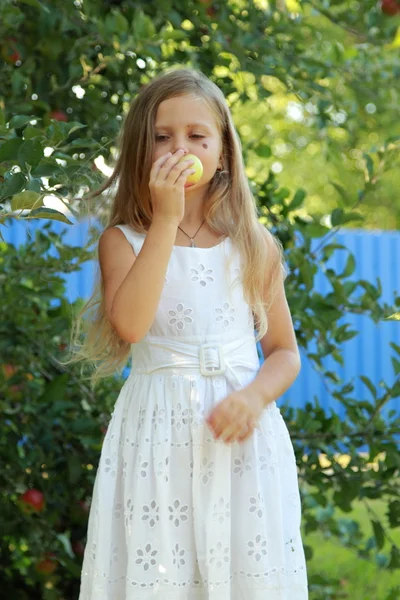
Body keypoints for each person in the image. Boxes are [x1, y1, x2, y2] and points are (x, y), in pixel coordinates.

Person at [75, 67, 308, 599]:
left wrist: (254, 396)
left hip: (242, 438)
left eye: (197, 136)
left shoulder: (255, 245)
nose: (178, 148)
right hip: (157, 435)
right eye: (161, 137)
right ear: (141, 151)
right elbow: (131, 324)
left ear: (223, 152)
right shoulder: (124, 241)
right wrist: (165, 219)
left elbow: (284, 353)